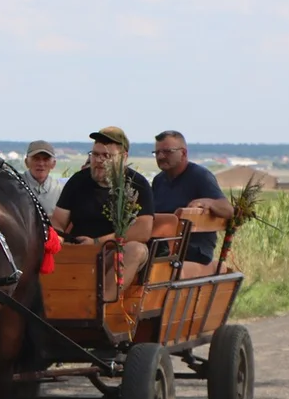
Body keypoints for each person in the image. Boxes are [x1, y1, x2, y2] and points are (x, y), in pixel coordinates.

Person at [51, 126, 153, 299]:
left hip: (116, 250)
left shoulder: (137, 185)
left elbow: (143, 231)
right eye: (95, 154)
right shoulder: (78, 181)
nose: (99, 160)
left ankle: (102, 305)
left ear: (123, 157)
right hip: (79, 249)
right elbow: (58, 220)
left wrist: (98, 242)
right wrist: (59, 239)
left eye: (107, 156)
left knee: (136, 249)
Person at [150, 130, 233, 273]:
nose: (161, 156)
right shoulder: (159, 181)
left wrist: (208, 202)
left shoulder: (200, 177)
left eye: (167, 151)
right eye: (157, 153)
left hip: (194, 249)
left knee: (149, 249)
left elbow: (228, 210)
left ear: (183, 153)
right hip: (163, 243)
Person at [21, 140, 62, 215]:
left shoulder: (60, 190)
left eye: (46, 159)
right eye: (36, 159)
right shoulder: (15, 184)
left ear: (53, 164)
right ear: (26, 162)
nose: (41, 164)